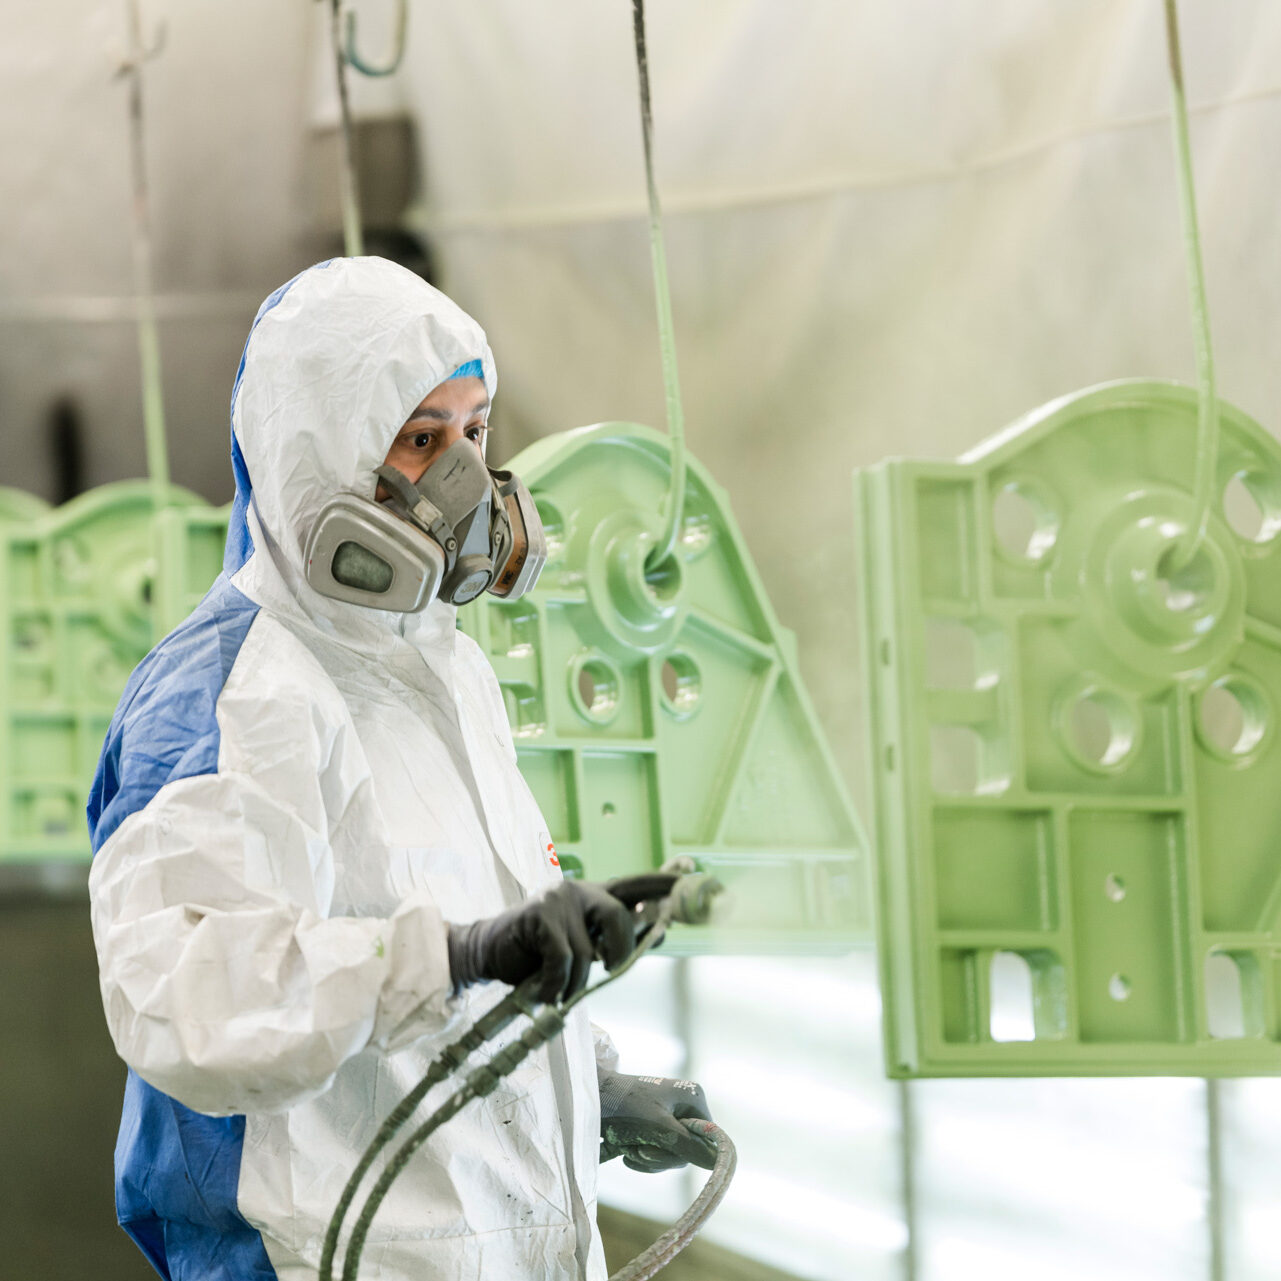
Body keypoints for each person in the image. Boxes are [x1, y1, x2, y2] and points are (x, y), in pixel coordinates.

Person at [87, 256, 714, 1281]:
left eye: (476, 432)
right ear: (315, 456)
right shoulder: (234, 691)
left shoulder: (442, 668)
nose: (466, 479)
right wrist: (460, 955)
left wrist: (588, 1094)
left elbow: (456, 955)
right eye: (422, 439)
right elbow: (187, 1003)